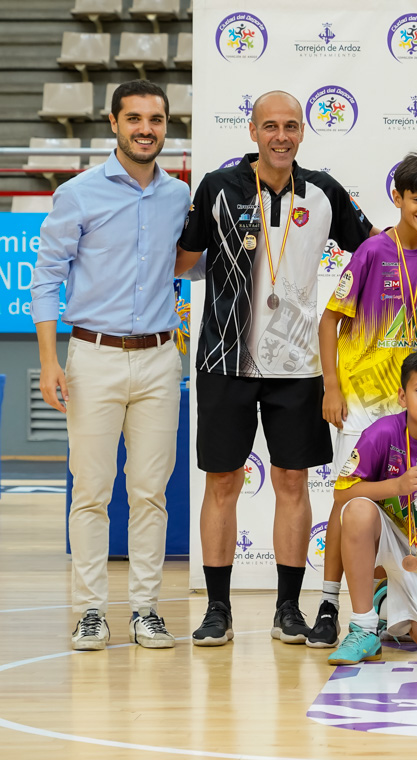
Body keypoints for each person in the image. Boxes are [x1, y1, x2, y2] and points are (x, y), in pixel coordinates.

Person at [176, 90, 376, 647]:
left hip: (299, 364)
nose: (281, 136)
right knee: (221, 482)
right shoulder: (218, 187)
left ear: (303, 131)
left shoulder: (326, 191)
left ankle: (288, 609)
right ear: (252, 131)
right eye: (271, 126)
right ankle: (218, 610)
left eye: (291, 126)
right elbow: (183, 261)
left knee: (292, 481)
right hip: (223, 359)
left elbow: (374, 254)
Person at [31, 80, 188, 651]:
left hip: (160, 359)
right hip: (91, 358)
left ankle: (145, 609)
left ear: (166, 125)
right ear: (114, 123)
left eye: (156, 119)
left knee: (150, 492)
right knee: (92, 490)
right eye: (135, 118)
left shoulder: (179, 198)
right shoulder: (77, 193)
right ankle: (90, 611)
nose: (146, 128)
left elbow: (189, 267)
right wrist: (50, 361)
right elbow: (47, 278)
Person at [309, 152, 417, 648]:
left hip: (409, 399)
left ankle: (395, 590)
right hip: (363, 399)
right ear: (398, 198)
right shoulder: (372, 251)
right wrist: (331, 384)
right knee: (348, 500)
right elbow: (330, 319)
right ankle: (329, 601)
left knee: (407, 495)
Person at [326, 350, 417, 664]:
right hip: (392, 540)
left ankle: (387, 599)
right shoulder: (383, 433)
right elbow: (342, 492)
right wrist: (397, 486)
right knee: (357, 510)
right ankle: (364, 626)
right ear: (402, 397)